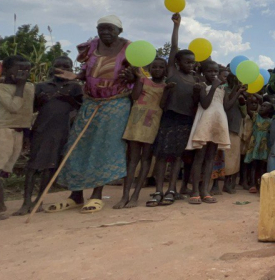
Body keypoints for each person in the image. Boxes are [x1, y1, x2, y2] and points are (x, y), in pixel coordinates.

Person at [51, 15, 136, 214]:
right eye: (101, 29)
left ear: (119, 31)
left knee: (104, 147)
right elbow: (87, 70)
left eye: (110, 29)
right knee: (78, 144)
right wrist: (77, 76)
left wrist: (133, 76)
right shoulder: (91, 46)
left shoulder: (130, 49)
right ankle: (76, 194)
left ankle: (97, 195)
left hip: (115, 103)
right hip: (90, 101)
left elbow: (138, 75)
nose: (105, 32)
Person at [14, 56, 82, 216]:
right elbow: (31, 109)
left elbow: (81, 107)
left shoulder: (75, 87)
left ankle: (39, 201)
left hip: (62, 131)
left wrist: (70, 100)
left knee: (49, 167)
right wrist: (40, 100)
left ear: (71, 69)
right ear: (52, 67)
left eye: (66, 66)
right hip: (40, 129)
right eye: (59, 65)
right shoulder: (41, 86)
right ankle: (26, 202)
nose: (62, 69)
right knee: (32, 166)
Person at [148, 13, 199, 207]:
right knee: (162, 156)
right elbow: (174, 48)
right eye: (187, 62)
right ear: (178, 63)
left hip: (186, 120)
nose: (191, 65)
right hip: (169, 118)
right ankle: (158, 190)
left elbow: (195, 103)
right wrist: (176, 26)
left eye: (193, 62)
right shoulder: (172, 72)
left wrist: (197, 92)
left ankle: (171, 189)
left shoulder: (195, 80)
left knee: (177, 156)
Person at [116, 57, 174, 209]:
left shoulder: (166, 85)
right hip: (136, 122)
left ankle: (135, 196)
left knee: (146, 160)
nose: (157, 70)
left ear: (165, 70)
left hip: (152, 123)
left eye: (160, 67)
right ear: (149, 69)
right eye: (154, 67)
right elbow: (134, 97)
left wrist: (167, 91)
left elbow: (162, 105)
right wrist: (137, 79)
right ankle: (125, 195)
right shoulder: (142, 80)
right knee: (132, 160)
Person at [186, 60, 242, 204]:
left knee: (211, 157)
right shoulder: (201, 86)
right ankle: (195, 191)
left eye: (215, 71)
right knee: (199, 157)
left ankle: (205, 190)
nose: (213, 74)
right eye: (210, 71)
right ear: (204, 72)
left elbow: (227, 106)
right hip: (205, 121)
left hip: (218, 122)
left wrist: (237, 91)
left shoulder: (222, 89)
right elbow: (204, 104)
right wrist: (213, 87)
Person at [0, 55, 34, 221]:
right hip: (2, 131)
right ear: (7, 70)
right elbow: (14, 107)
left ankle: (0, 205)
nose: (23, 73)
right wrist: (20, 86)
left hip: (18, 133)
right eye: (19, 69)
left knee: (0, 171)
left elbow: (29, 109)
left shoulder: (30, 87)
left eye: (26, 70)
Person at [245, 100, 273, 193]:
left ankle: (260, 183)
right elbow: (248, 110)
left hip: (264, 145)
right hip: (255, 144)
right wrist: (248, 98)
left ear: (270, 111)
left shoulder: (271, 121)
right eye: (262, 105)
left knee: (262, 165)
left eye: (265, 106)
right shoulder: (256, 116)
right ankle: (253, 184)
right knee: (253, 164)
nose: (262, 107)